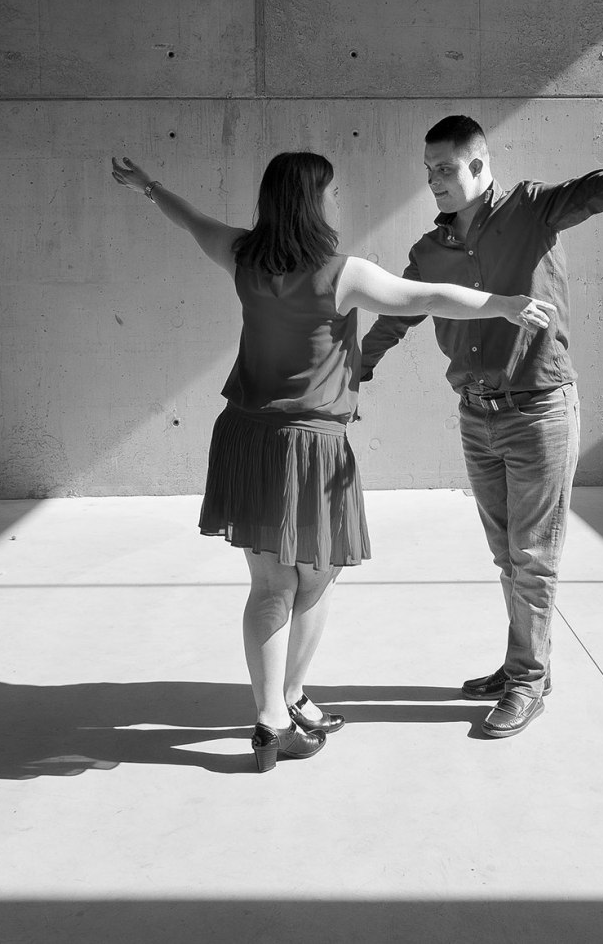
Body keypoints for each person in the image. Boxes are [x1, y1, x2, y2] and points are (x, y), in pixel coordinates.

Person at [111, 151, 556, 772]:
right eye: (334, 191)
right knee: (311, 580)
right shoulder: (339, 274)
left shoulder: (244, 256)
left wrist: (149, 183)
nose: (339, 199)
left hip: (247, 437)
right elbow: (423, 295)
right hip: (310, 445)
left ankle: (281, 710)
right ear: (314, 202)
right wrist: (502, 304)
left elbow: (192, 221)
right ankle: (278, 710)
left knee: (270, 586)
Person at [359, 116, 603, 738]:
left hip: (538, 411)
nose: (434, 183)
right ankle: (519, 666)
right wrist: (357, 368)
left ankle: (530, 682)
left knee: (533, 557)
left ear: (480, 166)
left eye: (446, 170)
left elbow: (602, 188)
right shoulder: (432, 251)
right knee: (507, 554)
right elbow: (404, 309)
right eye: (428, 172)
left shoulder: (533, 209)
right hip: (476, 415)